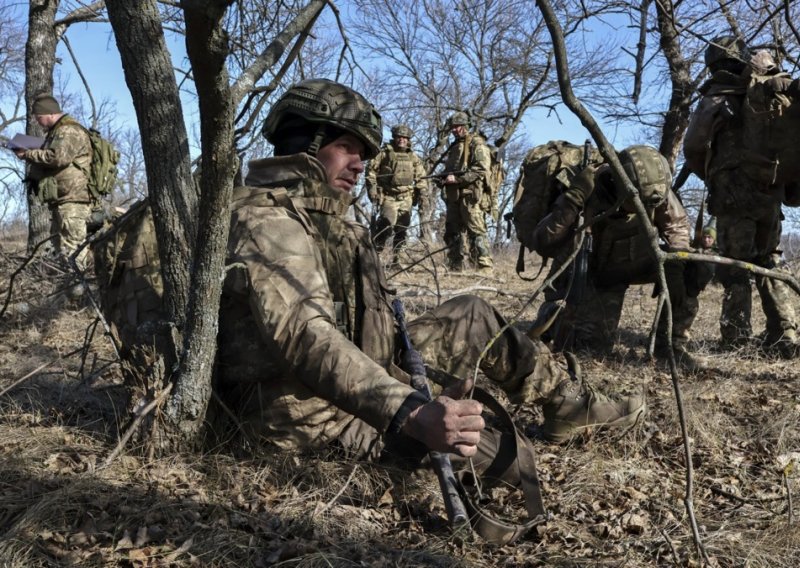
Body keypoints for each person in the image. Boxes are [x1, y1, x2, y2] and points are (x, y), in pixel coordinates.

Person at [210, 78, 645, 470]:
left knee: (472, 314)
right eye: (348, 147)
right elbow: (307, 337)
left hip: (357, 385)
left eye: (364, 153)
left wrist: (414, 374)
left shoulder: (334, 221)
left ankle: (569, 406)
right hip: (311, 422)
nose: (360, 165)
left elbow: (367, 329)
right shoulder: (265, 220)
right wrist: (412, 410)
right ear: (306, 141)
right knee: (512, 462)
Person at [527, 145, 704, 371]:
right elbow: (543, 240)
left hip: (638, 261)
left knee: (696, 267)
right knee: (590, 349)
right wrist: (573, 199)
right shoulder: (589, 188)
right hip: (599, 276)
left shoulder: (654, 187)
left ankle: (670, 345)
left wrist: (675, 268)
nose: (647, 207)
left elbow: (677, 225)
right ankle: (554, 321)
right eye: (639, 200)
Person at [684, 37, 799, 357]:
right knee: (771, 260)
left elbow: (693, 147)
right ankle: (785, 332)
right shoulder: (766, 93)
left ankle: (736, 338)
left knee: (736, 267)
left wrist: (713, 176)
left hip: (733, 197)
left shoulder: (716, 97)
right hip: (770, 194)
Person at [15, 93, 92, 268]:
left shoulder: (69, 130)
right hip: (62, 198)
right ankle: (67, 288)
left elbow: (57, 157)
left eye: (39, 117)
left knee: (73, 249)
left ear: (50, 113)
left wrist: (27, 154)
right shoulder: (57, 132)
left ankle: (77, 289)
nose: (37, 121)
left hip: (73, 199)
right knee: (61, 249)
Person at [364, 124, 429, 266]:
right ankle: (375, 259)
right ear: (394, 138)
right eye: (399, 137)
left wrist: (422, 193)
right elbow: (371, 172)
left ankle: (397, 259)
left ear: (408, 139)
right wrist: (373, 191)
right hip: (388, 196)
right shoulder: (384, 153)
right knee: (385, 227)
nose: (402, 140)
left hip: (406, 197)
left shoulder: (413, 157)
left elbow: (421, 177)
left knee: (402, 229)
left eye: (405, 138)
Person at [440, 112, 494, 274]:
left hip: (470, 195)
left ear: (466, 126)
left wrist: (457, 179)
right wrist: (443, 179)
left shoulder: (477, 143)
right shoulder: (455, 146)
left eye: (459, 127)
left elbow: (481, 169)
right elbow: (450, 170)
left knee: (476, 230)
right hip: (454, 196)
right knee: (452, 231)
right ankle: (455, 265)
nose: (455, 130)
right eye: (453, 128)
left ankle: (484, 266)